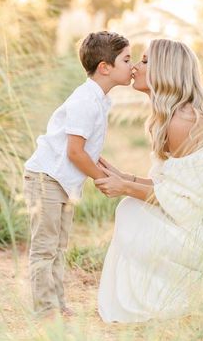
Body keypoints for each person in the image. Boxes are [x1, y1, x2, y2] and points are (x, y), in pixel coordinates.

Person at [95, 38, 203, 323]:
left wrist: (126, 187)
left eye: (145, 61)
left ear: (165, 71)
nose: (135, 67)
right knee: (130, 208)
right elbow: (172, 186)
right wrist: (126, 178)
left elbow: (187, 203)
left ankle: (177, 298)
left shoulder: (181, 122)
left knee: (133, 214)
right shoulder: (171, 116)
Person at [23, 30, 132, 319]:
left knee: (58, 247)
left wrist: (109, 170)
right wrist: (100, 178)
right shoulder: (86, 100)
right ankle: (44, 310)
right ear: (105, 67)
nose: (132, 67)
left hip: (62, 182)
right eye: (126, 59)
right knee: (45, 247)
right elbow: (74, 152)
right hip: (47, 178)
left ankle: (57, 304)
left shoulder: (99, 99)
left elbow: (86, 149)